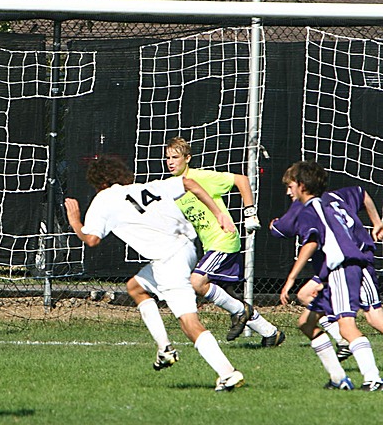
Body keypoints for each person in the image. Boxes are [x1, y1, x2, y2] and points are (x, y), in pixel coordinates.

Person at [64, 154, 245, 392]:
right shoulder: (147, 187)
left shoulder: (104, 198)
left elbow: (92, 239)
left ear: (98, 181)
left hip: (169, 260)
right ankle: (164, 349)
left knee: (189, 323)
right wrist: (219, 213)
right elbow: (188, 183)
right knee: (135, 287)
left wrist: (75, 221)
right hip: (187, 248)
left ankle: (227, 373)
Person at [270, 160, 383, 391]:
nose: (288, 191)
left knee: (347, 326)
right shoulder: (333, 200)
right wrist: (377, 222)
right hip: (357, 262)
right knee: (306, 322)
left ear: (301, 185)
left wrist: (291, 279)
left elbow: (310, 242)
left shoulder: (309, 210)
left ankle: (373, 380)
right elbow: (362, 194)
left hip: (342, 268)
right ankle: (338, 379)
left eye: (290, 186)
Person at [165, 137, 285, 346]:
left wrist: (250, 213)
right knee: (227, 295)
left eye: (175, 157)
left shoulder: (201, 177)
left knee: (197, 282)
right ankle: (270, 333)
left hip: (224, 240)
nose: (170, 162)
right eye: (167, 158)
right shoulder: (171, 187)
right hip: (210, 245)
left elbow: (241, 180)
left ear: (188, 158)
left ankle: (241, 312)